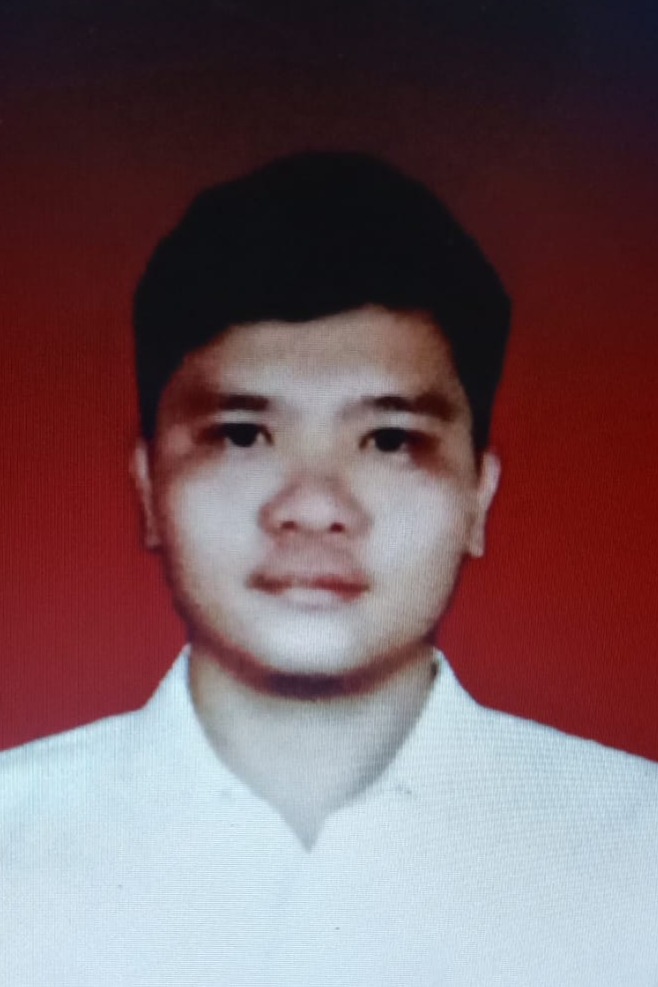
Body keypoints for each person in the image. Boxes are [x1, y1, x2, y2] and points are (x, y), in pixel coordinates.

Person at [1, 152, 656, 986]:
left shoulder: (637, 851)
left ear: (478, 496)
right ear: (148, 487)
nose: (313, 506)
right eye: (242, 434)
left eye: (390, 440)